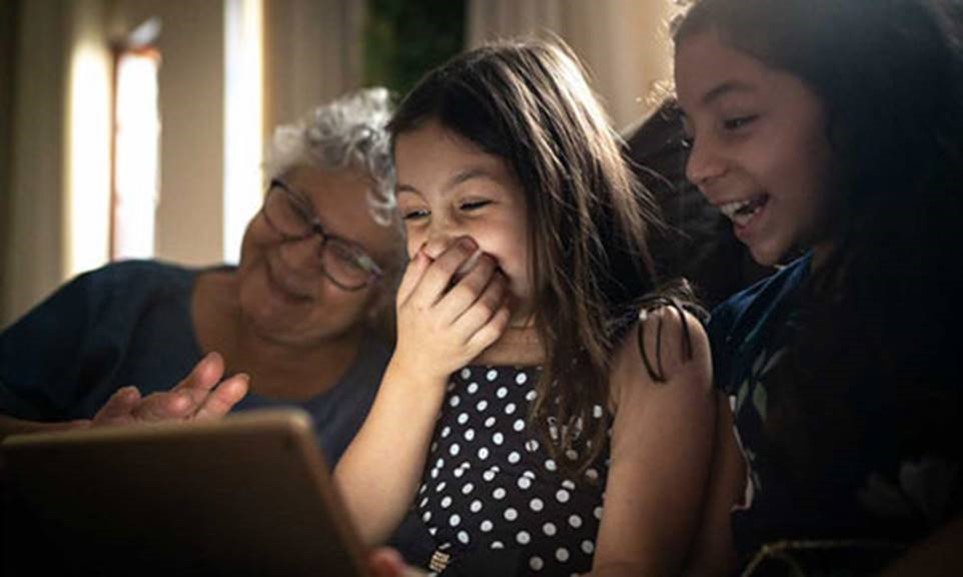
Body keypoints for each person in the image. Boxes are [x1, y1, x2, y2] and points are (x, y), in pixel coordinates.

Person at [336, 39, 716, 577]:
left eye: (472, 204)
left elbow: (633, 565)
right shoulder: (441, 355)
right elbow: (342, 529)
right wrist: (415, 369)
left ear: (562, 194)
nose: (440, 239)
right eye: (416, 212)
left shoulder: (653, 345)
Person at [672, 0, 963, 574]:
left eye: (735, 121)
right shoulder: (742, 331)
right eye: (688, 137)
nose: (697, 167)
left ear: (862, 99)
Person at [0, 87, 404, 467]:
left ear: (383, 290)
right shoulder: (120, 300)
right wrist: (75, 447)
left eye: (349, 256)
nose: (298, 259)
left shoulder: (393, 405)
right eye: (297, 210)